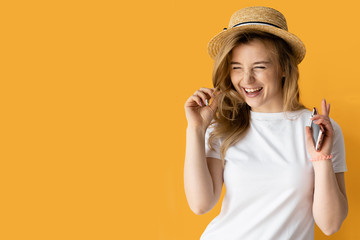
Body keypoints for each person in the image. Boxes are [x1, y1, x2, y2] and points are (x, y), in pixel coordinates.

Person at [183, 6, 348, 240]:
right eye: (236, 68)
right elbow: (201, 204)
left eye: (259, 67)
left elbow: (330, 225)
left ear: (283, 67)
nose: (247, 79)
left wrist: (321, 159)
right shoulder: (223, 127)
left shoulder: (320, 130)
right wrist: (196, 129)